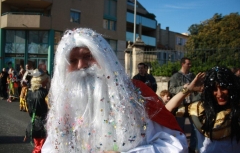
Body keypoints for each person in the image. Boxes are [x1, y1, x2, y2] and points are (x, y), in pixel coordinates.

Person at [41, 28, 188, 153]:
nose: (81, 65)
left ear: (104, 57)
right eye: (73, 61)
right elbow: (50, 148)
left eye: (88, 56)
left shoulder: (136, 94)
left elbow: (176, 144)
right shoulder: (64, 106)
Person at [166, 66, 240, 153]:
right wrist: (189, 89)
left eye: (223, 88)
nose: (219, 94)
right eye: (214, 89)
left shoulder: (237, 110)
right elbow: (167, 109)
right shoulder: (198, 109)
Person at [168, 57, 200, 152]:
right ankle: (180, 147)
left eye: (190, 64)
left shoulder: (192, 76)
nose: (190, 65)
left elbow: (197, 88)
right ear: (183, 64)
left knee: (195, 128)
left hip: (192, 104)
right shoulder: (175, 76)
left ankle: (192, 148)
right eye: (188, 64)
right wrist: (184, 87)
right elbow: (171, 90)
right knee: (180, 129)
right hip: (180, 106)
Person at [25, 69, 49, 153]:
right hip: (43, 125)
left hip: (33, 123)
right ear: (41, 80)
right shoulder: (44, 93)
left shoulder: (29, 92)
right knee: (41, 148)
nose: (47, 80)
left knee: (38, 147)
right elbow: (51, 107)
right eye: (46, 79)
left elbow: (28, 109)